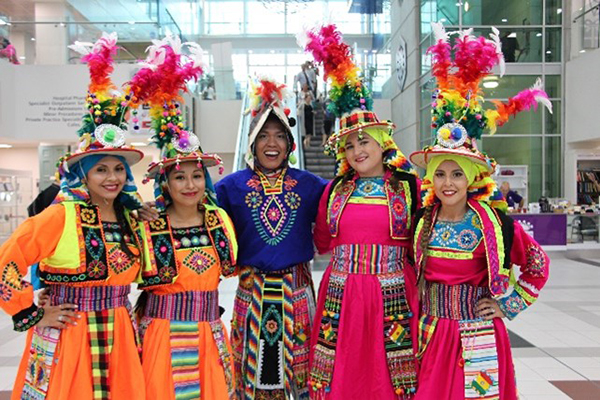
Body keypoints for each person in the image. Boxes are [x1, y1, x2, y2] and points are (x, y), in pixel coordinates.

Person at [0, 32, 147, 399]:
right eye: (101, 169)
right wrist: (33, 314)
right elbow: (7, 264)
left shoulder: (130, 219)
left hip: (119, 334)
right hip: (70, 335)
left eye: (118, 169)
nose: (111, 178)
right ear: (83, 174)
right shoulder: (58, 217)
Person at [409, 23, 551, 399]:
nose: (448, 182)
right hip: (431, 333)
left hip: (480, 334)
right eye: (440, 173)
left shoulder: (495, 224)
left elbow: (537, 264)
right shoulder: (422, 222)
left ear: (472, 178)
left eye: (457, 173)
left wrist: (508, 304)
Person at [300, 23, 420, 399]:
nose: (357, 151)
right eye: (349, 145)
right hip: (344, 293)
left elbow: (423, 236)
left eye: (364, 141)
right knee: (342, 371)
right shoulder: (335, 190)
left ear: (383, 144)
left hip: (394, 291)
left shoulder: (408, 186)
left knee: (391, 372)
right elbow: (322, 239)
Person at [128, 35, 238, 400]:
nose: (189, 184)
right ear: (166, 182)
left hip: (209, 331)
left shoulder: (218, 219)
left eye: (195, 175)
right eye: (179, 176)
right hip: (161, 332)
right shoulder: (148, 223)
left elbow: (231, 268)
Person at [215, 77, 327, 400]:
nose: (271, 143)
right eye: (263, 135)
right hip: (253, 294)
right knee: (253, 381)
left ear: (290, 143)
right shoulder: (230, 187)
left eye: (280, 135)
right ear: (251, 142)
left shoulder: (311, 185)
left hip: (298, 292)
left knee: (304, 379)